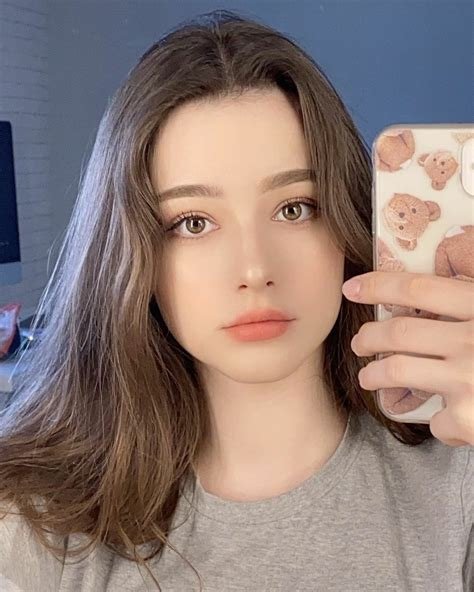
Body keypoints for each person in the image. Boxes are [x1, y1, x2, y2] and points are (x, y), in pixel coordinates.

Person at [0, 9, 472, 592]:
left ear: (349, 219)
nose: (254, 269)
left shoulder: (458, 479)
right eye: (193, 222)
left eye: (294, 208)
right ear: (131, 255)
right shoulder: (31, 527)